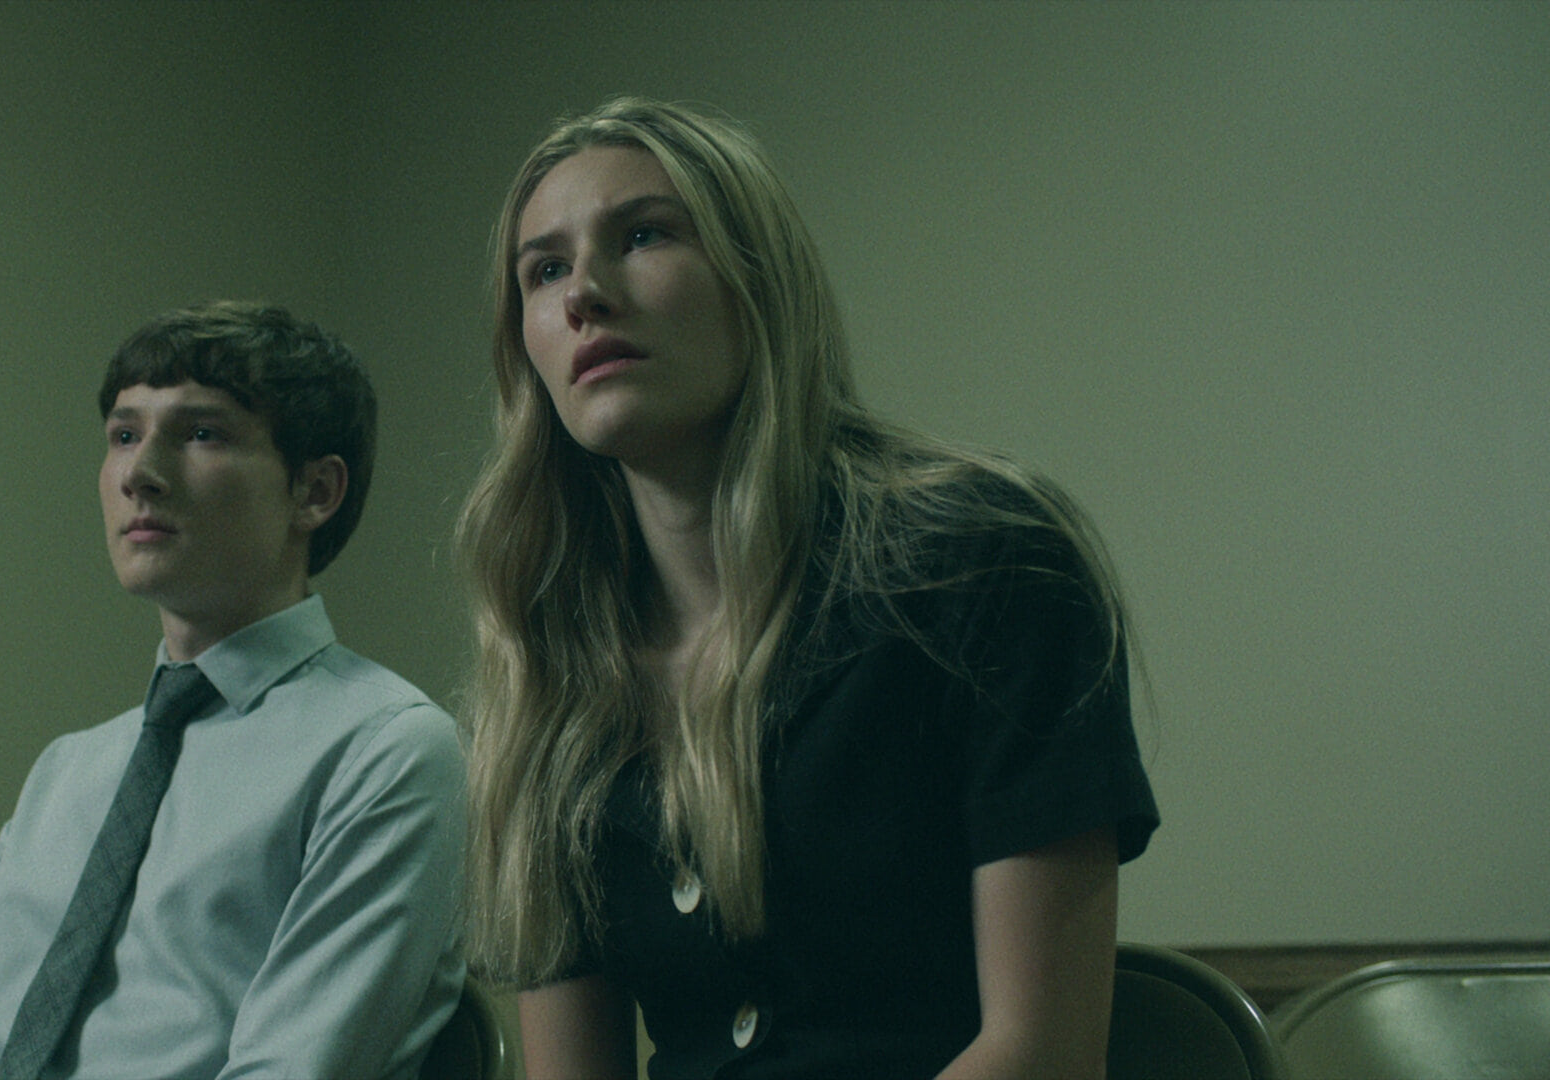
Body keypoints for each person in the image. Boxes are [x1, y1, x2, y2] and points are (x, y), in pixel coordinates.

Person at [456, 98, 1159, 1079]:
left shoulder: (981, 564)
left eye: (645, 235)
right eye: (545, 270)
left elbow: (1041, 1054)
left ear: (759, 275)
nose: (586, 296)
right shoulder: (554, 663)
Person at [0, 301, 466, 1080]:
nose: (139, 473)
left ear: (314, 491)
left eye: (202, 433)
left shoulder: (386, 751)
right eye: (123, 435)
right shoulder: (66, 773)